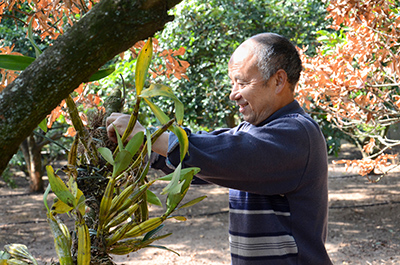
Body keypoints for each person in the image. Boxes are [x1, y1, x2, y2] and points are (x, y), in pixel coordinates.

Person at [107, 33, 333, 265]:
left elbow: (225, 153)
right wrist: (138, 147)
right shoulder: (251, 129)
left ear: (278, 81)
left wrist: (147, 136)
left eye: (243, 83)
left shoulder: (297, 133)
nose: (233, 94)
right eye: (233, 83)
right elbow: (203, 160)